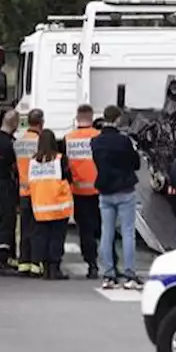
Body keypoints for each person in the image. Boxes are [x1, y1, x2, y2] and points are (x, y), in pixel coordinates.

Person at [91, 105, 140, 289]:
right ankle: (129, 274)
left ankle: (108, 274)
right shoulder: (124, 141)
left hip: (105, 190)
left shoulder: (95, 142)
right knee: (127, 233)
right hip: (125, 189)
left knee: (107, 232)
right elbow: (135, 164)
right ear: (118, 119)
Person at [63, 104, 102, 279]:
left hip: (78, 191)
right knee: (100, 229)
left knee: (85, 230)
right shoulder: (98, 136)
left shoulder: (68, 138)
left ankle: (91, 263)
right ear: (91, 117)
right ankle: (107, 262)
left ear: (77, 119)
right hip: (99, 190)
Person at [29, 129, 74, 280]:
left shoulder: (33, 161)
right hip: (59, 206)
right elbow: (69, 177)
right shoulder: (60, 159)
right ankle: (55, 268)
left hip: (40, 207)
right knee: (56, 238)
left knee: (42, 237)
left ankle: (46, 268)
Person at [0, 108, 20, 275]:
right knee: (7, 221)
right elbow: (15, 167)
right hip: (6, 184)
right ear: (14, 124)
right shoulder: (10, 144)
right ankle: (2, 259)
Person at [14, 109, 44, 277]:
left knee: (24, 229)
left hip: (23, 191)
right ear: (41, 123)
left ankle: (23, 263)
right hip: (38, 192)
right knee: (37, 230)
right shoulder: (40, 142)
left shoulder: (19, 142)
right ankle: (35, 263)